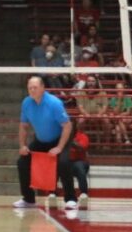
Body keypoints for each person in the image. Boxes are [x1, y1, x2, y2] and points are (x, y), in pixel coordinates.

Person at [15, 77, 77, 212]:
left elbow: (67, 126)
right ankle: (28, 199)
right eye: (30, 87)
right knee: (22, 162)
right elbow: (23, 126)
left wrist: (59, 147)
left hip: (60, 137)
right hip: (41, 139)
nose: (32, 90)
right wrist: (22, 145)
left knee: (64, 163)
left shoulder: (54, 103)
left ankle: (71, 199)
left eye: (35, 87)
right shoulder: (26, 103)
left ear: (43, 88)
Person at [68, 118, 91, 206]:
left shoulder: (83, 136)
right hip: (67, 161)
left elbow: (82, 147)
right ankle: (52, 192)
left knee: (79, 167)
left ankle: (84, 192)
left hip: (80, 161)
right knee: (57, 165)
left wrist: (71, 141)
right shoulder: (63, 137)